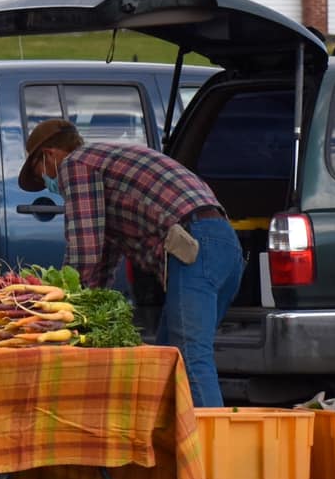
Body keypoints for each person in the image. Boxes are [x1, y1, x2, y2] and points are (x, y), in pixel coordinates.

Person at [20, 118, 241, 407]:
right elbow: (101, 263)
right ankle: (170, 449)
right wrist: (90, 311)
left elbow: (84, 253)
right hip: (223, 245)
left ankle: (211, 450)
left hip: (194, 246)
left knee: (188, 357)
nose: (48, 185)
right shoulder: (105, 166)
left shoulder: (75, 165)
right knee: (166, 359)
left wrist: (64, 307)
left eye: (41, 175)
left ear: (49, 155)